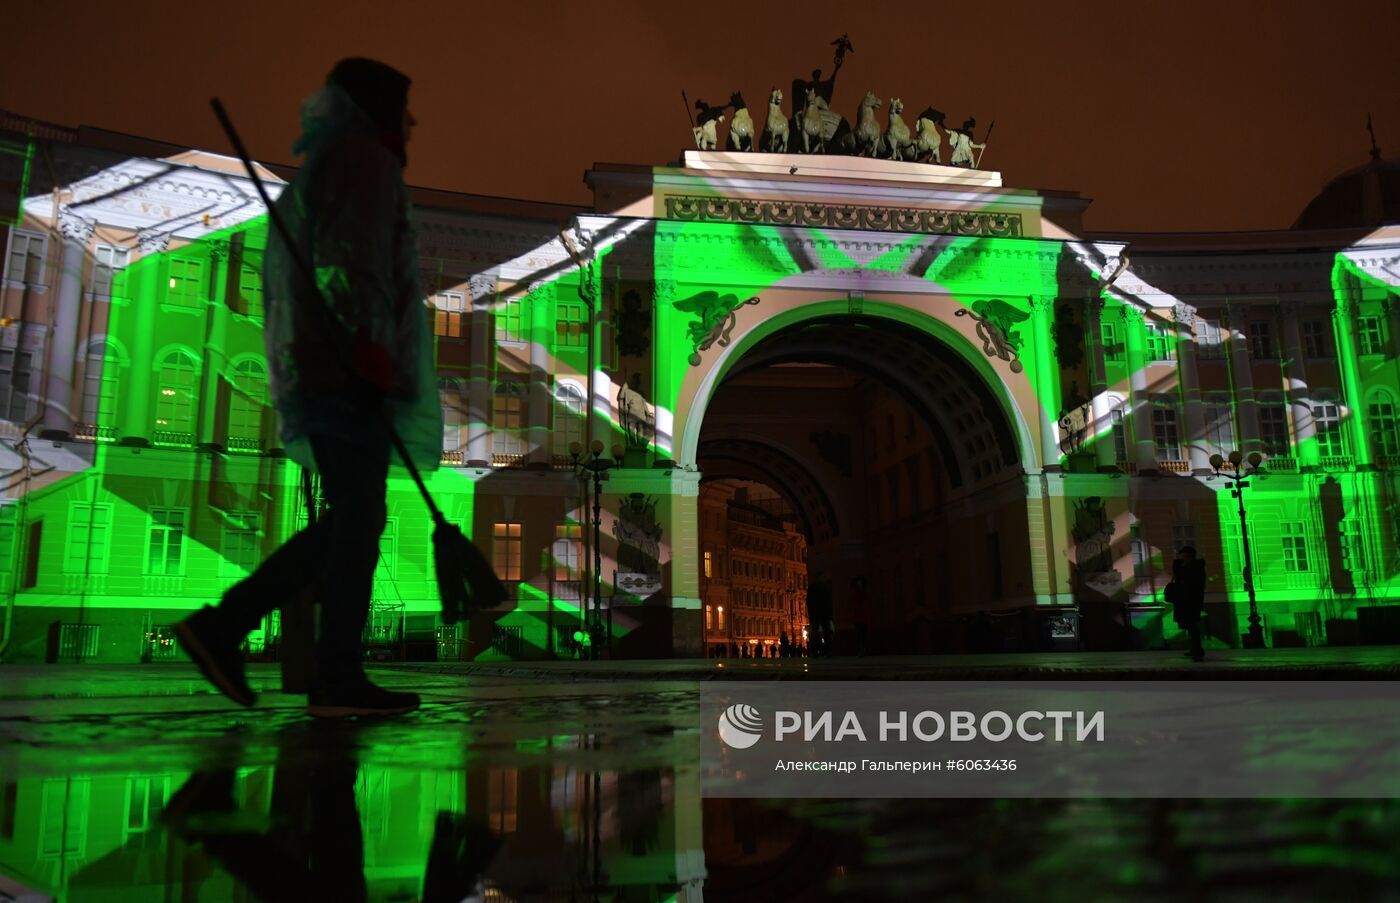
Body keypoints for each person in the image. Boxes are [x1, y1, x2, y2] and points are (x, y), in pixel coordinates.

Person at [176, 58, 441, 717]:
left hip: (331, 364)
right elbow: (355, 264)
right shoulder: (364, 163)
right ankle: (326, 670)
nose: (410, 125)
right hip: (349, 367)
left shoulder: (335, 161)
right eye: (401, 112)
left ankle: (248, 636)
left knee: (353, 519)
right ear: (376, 112)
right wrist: (372, 352)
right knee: (357, 519)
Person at [1171, 546, 1208, 661]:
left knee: (1193, 625)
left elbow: (1185, 579)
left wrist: (1177, 564)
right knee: (1191, 626)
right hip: (1188, 600)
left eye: (1181, 554)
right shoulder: (1191, 566)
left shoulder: (1194, 567)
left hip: (1191, 600)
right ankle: (1195, 648)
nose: (1179, 556)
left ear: (1187, 555)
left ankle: (1197, 649)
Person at [849, 575, 870, 656]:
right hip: (858, 616)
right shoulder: (855, 592)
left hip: (862, 615)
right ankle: (861, 650)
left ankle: (863, 650)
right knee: (859, 634)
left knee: (863, 633)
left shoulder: (863, 592)